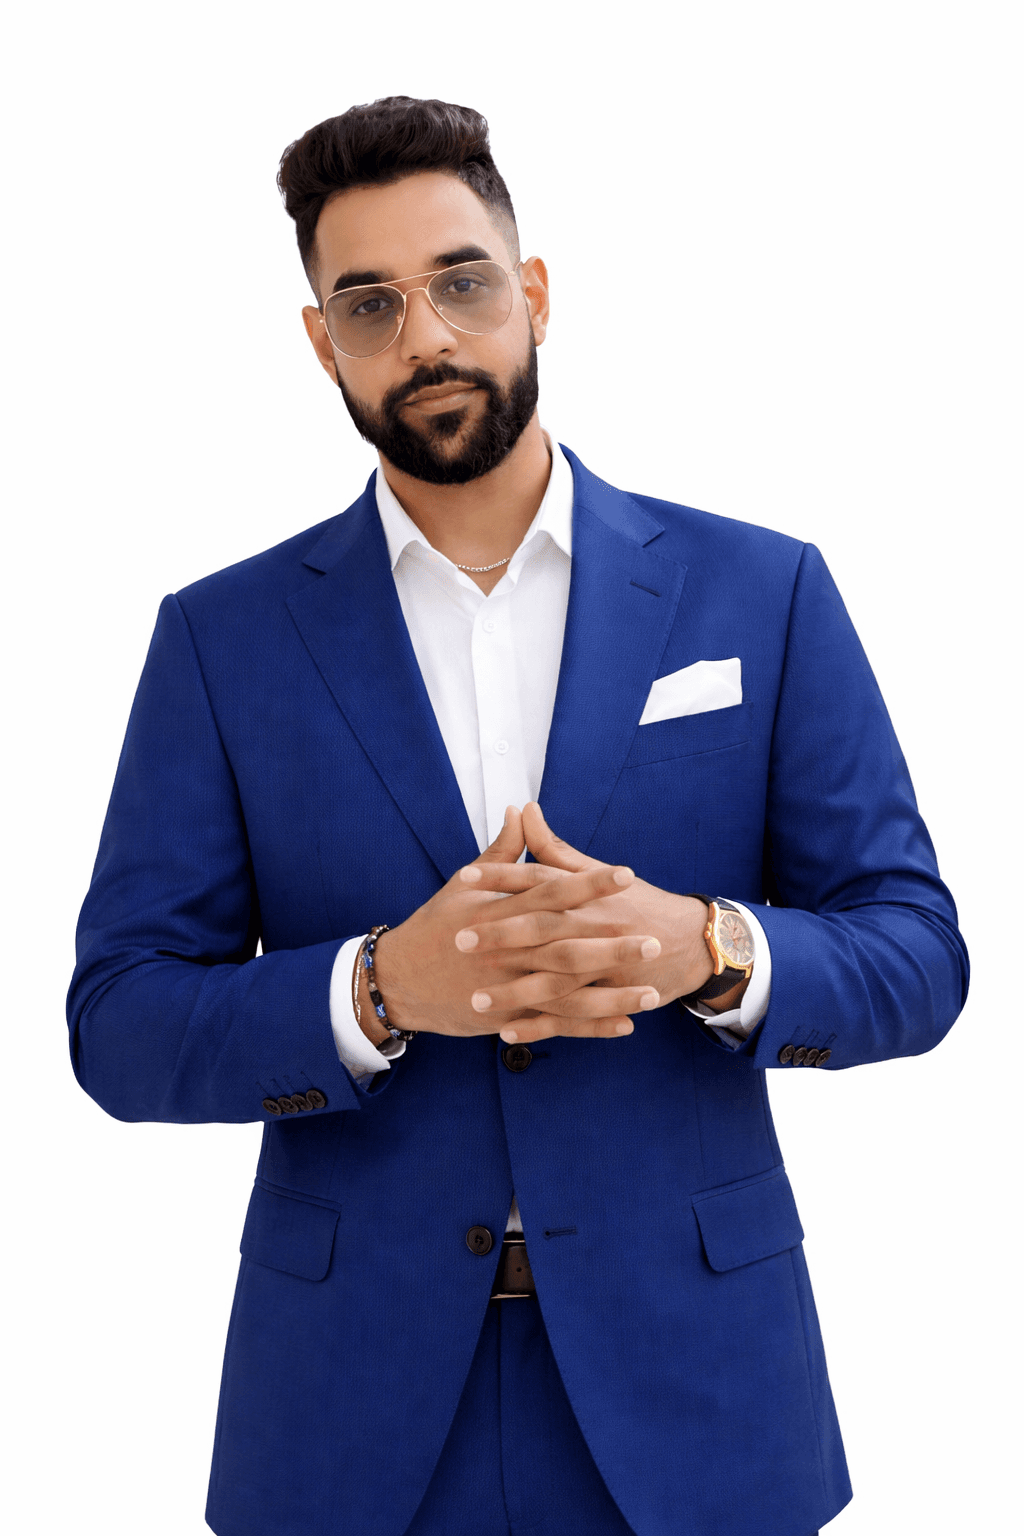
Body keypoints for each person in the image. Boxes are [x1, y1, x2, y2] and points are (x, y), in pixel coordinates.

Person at [67, 96, 968, 1536]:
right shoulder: (219, 642)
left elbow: (919, 957)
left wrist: (709, 951)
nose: (423, 334)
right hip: (350, 1413)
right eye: (370, 303)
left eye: (460, 282)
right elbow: (116, 1021)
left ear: (531, 292)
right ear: (322, 343)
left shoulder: (764, 592)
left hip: (701, 1398)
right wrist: (375, 991)